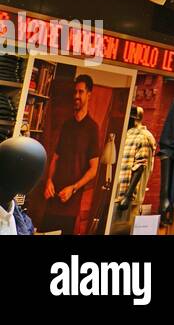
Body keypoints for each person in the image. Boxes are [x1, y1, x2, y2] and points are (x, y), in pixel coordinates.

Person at [42, 73, 100, 235]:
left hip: (70, 204)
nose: (76, 96)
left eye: (80, 92)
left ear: (89, 94)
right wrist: (48, 181)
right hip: (52, 198)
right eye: (75, 92)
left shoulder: (92, 129)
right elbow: (56, 157)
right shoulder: (67, 125)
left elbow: (93, 169)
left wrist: (73, 188)